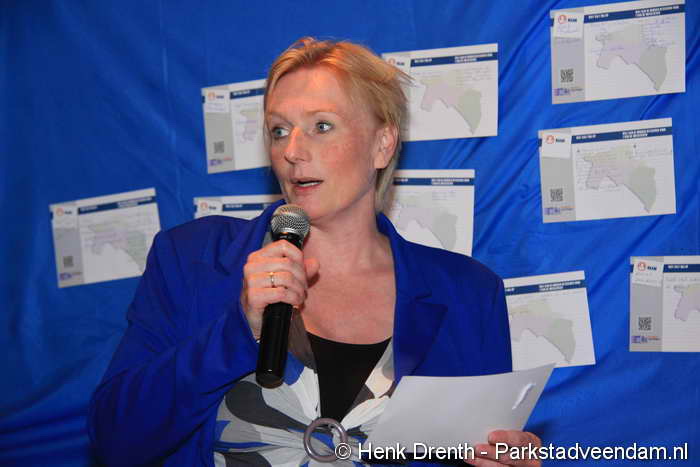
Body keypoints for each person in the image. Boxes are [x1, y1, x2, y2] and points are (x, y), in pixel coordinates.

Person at [88, 37, 541, 466]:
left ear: (382, 144)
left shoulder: (466, 293)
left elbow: (479, 445)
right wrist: (237, 330)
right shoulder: (193, 260)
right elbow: (115, 440)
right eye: (279, 130)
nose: (293, 150)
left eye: (321, 126)